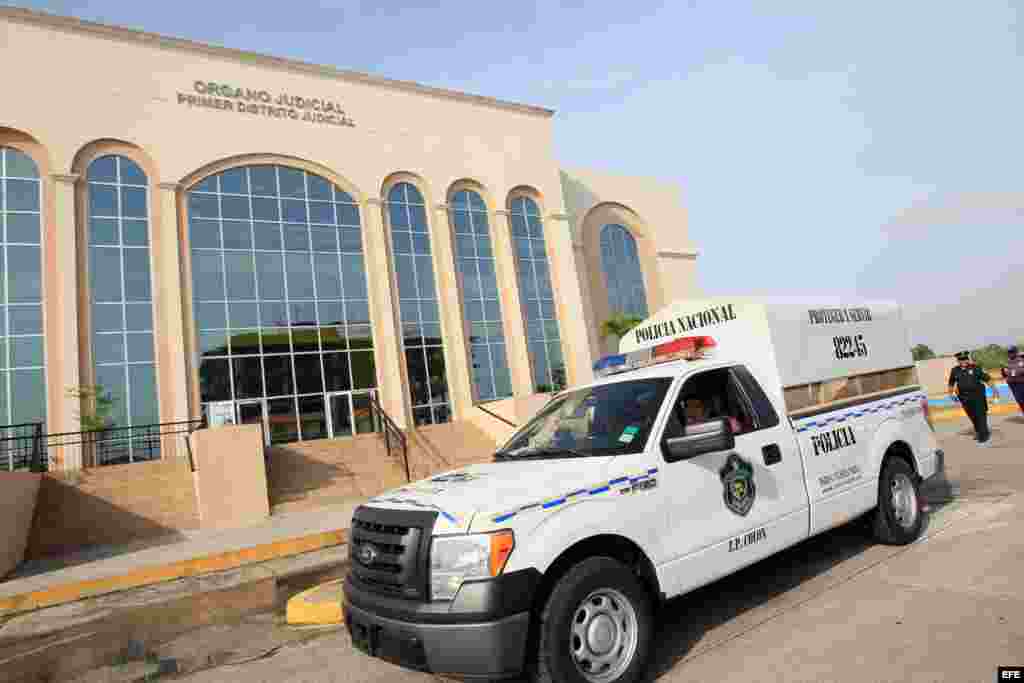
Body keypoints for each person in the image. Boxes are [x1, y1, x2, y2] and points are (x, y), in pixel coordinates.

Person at [948, 351, 998, 446]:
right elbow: (951, 382)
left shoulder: (975, 368)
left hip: (977, 396)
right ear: (958, 361)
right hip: (964, 397)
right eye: (960, 359)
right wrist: (951, 394)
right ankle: (979, 431)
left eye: (964, 359)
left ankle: (984, 435)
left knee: (980, 415)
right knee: (972, 416)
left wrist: (995, 393)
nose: (963, 361)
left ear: (968, 359)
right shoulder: (955, 370)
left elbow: (988, 380)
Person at [1001, 345, 1024, 413]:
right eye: (1009, 352)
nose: (1010, 354)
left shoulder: (1021, 360)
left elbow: (1020, 371)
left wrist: (1011, 372)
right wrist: (1004, 372)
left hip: (1021, 383)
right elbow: (1004, 373)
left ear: (1016, 352)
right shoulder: (1007, 362)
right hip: (1013, 384)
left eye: (1011, 352)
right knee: (1019, 400)